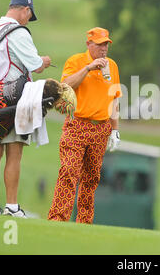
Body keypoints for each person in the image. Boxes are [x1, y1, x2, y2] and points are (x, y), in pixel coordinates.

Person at [0, 0, 52, 217]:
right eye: (29, 16)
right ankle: (11, 206)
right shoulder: (18, 33)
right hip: (14, 99)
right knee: (14, 153)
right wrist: (45, 60)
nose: (27, 21)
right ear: (25, 10)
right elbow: (36, 65)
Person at [47, 27, 121, 224]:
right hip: (77, 126)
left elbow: (115, 99)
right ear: (89, 44)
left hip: (101, 128)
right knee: (69, 171)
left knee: (91, 179)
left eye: (106, 44)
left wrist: (115, 130)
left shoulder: (112, 66)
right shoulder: (76, 61)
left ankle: (84, 222)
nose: (104, 48)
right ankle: (57, 219)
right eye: (99, 44)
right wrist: (89, 68)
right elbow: (65, 86)